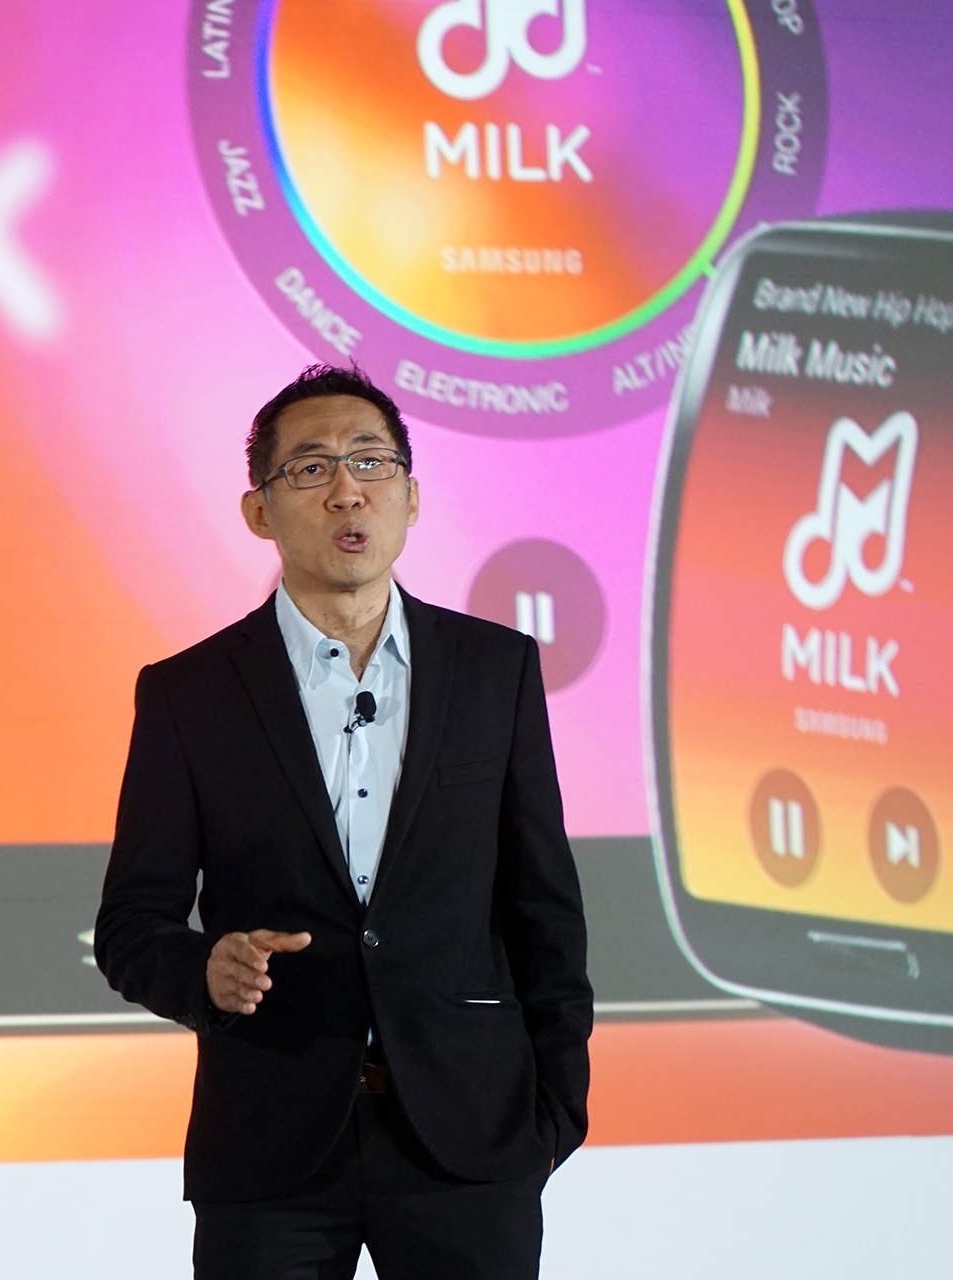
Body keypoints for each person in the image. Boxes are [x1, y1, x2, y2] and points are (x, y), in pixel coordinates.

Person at [94, 364, 593, 1279]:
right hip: (270, 1143)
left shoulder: (496, 671)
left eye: (371, 462)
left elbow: (544, 909)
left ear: (411, 498)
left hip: (469, 1141)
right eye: (312, 468)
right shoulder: (189, 696)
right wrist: (205, 970)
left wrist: (555, 1111)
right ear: (259, 511)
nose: (347, 490)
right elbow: (132, 926)